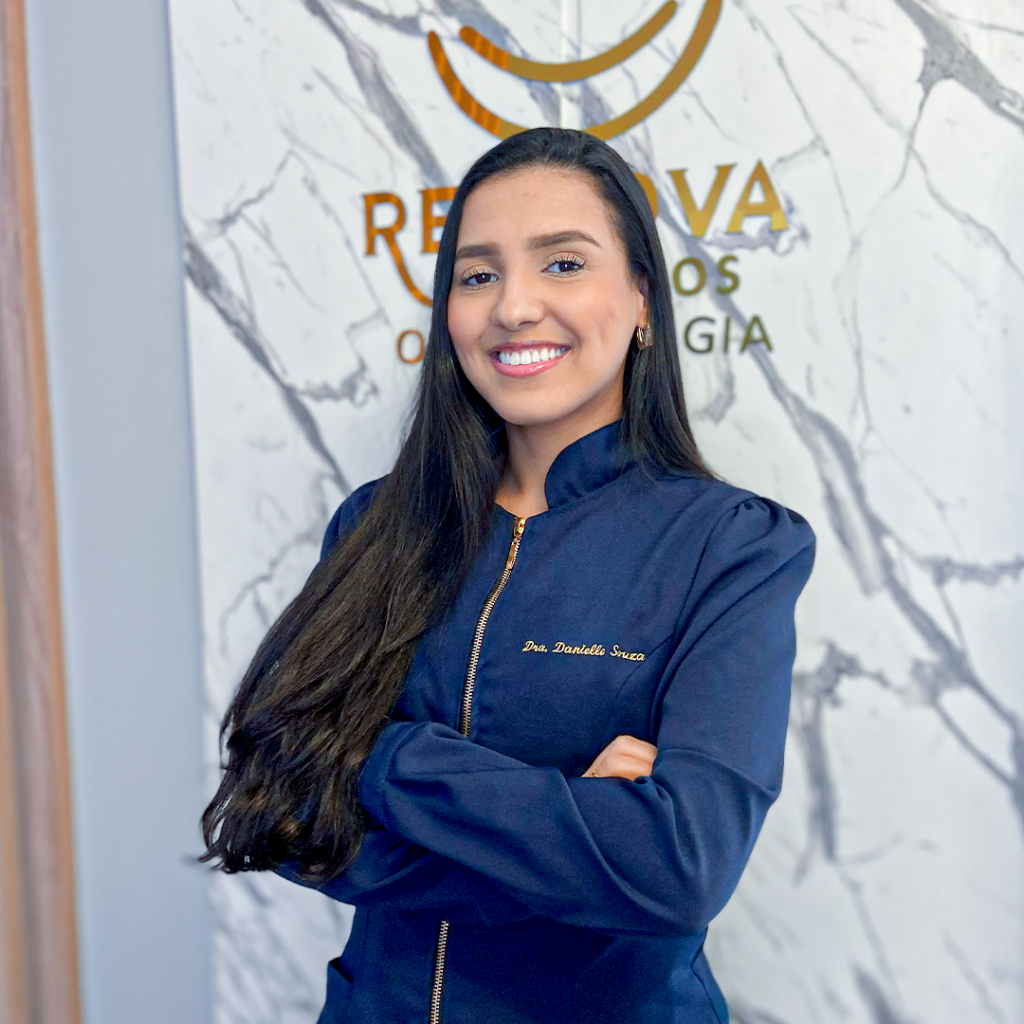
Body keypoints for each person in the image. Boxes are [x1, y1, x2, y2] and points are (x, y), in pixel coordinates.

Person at [201, 127, 815, 1023]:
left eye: (563, 264)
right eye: (478, 274)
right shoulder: (374, 527)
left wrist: (374, 754)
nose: (514, 307)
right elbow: (280, 814)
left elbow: (677, 870)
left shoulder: (731, 547)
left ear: (643, 299)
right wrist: (576, 833)